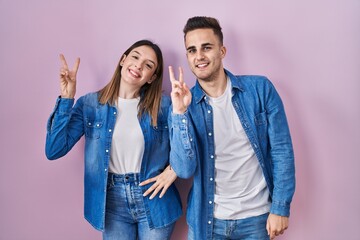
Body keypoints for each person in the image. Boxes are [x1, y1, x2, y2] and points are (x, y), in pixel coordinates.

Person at [168, 16, 296, 239]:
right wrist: (180, 114)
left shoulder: (260, 89)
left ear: (222, 51)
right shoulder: (182, 105)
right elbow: (184, 169)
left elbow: (282, 151)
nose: (199, 56)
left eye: (206, 47)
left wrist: (280, 207)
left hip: (257, 219)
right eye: (192, 50)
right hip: (208, 221)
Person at [45, 39, 182, 240]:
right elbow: (54, 149)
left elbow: (186, 147)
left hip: (154, 200)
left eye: (148, 65)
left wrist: (172, 171)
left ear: (152, 77)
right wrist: (67, 98)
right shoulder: (90, 104)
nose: (138, 65)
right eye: (135, 57)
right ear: (123, 60)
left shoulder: (164, 106)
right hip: (111, 203)